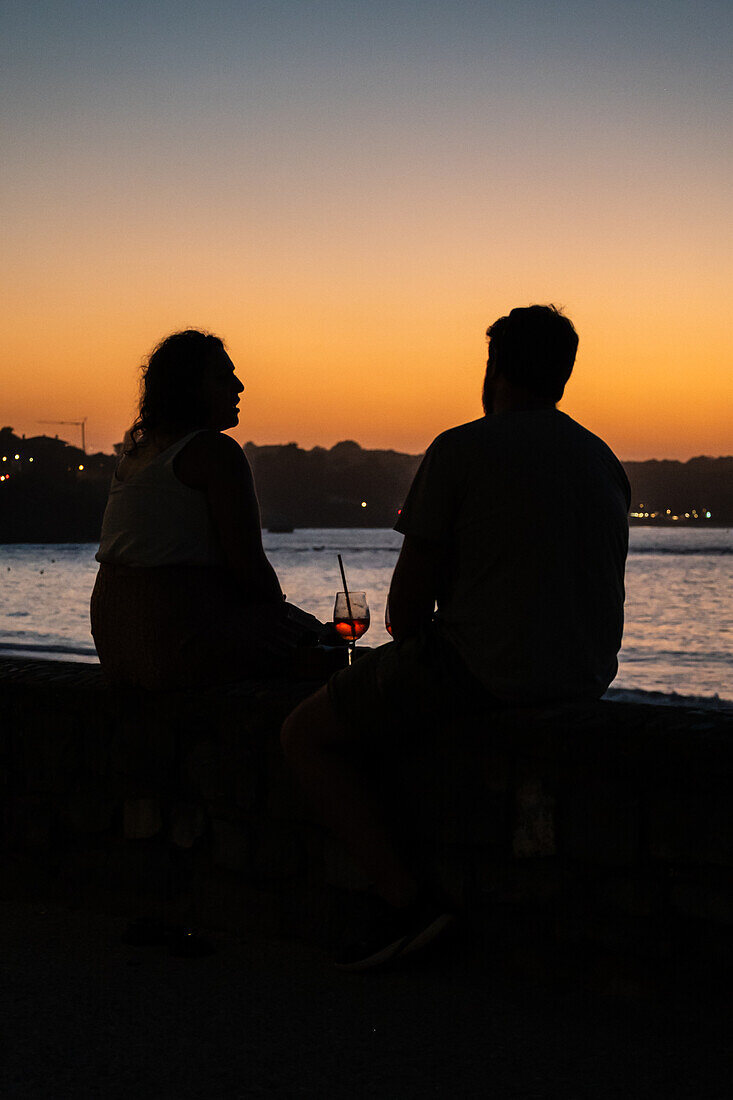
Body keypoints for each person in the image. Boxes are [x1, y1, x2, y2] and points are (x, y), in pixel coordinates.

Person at [281, 304, 631, 970]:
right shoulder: (601, 459)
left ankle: (408, 908)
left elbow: (407, 611)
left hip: (484, 670)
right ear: (561, 375)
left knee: (302, 734)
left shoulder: (461, 448)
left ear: (493, 367)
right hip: (584, 675)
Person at [91, 329, 329, 690]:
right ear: (188, 388)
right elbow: (251, 569)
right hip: (175, 644)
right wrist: (282, 622)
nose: (239, 386)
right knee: (334, 653)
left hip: (117, 643)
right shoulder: (214, 452)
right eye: (223, 377)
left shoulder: (135, 455)